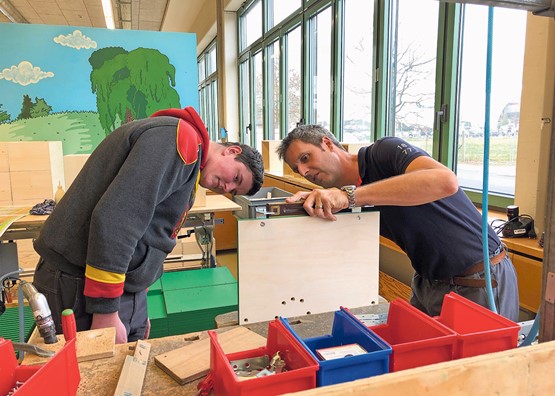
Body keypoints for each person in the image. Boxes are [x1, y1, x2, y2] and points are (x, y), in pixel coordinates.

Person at [33, 107, 264, 343]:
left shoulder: (186, 156)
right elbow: (117, 220)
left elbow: (149, 232)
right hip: (81, 284)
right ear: (232, 151)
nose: (227, 188)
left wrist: (137, 303)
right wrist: (106, 311)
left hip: (111, 287)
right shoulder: (179, 141)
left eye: (234, 191)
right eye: (236, 177)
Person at [276, 124, 519, 321]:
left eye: (306, 158)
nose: (305, 171)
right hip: (427, 282)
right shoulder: (346, 196)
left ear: (327, 143)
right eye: (298, 170)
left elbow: (445, 181)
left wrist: (349, 196)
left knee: (479, 373)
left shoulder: (384, 152)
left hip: (478, 279)